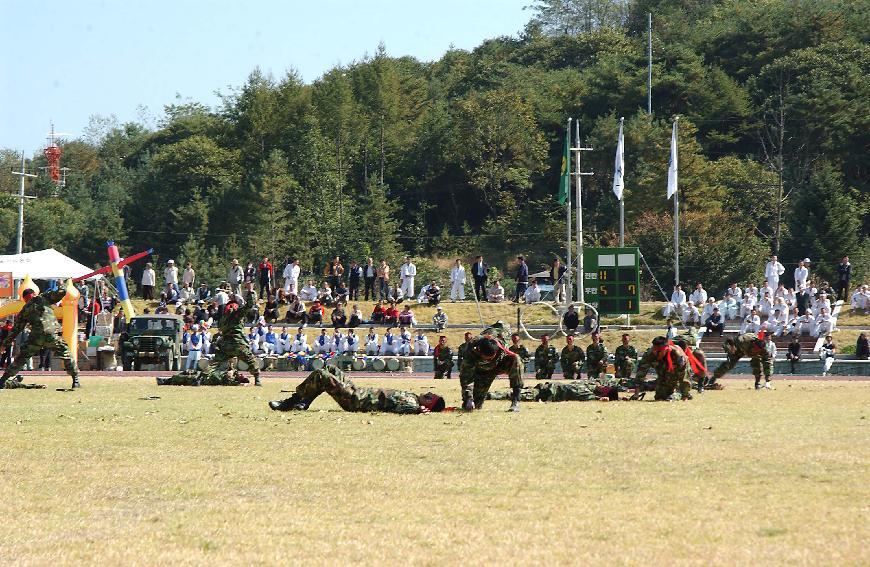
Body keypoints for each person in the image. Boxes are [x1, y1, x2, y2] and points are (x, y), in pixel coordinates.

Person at [0, 286, 80, 390]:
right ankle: (75, 381)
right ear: (34, 294)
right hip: (51, 334)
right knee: (66, 353)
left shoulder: (25, 309)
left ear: (25, 299)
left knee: (22, 357)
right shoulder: (44, 298)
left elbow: (16, 330)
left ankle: (2, 380)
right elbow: (62, 292)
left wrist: (4, 345)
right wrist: (62, 284)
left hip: (36, 336)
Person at [269, 367, 446, 413]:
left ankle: (292, 402)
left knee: (321, 374)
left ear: (428, 405)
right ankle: (305, 400)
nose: (428, 394)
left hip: (355, 400)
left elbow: (401, 408)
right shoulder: (413, 397)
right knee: (330, 368)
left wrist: (418, 410)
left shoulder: (412, 403)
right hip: (358, 391)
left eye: (430, 397)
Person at [459, 323, 524, 412]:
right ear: (479, 351)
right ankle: (472, 401)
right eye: (486, 358)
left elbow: (503, 325)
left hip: (499, 364)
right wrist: (469, 398)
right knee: (474, 406)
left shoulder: (502, 339)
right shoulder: (471, 350)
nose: (488, 360)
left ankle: (516, 401)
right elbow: (465, 377)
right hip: (481, 371)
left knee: (516, 359)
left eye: (491, 358)